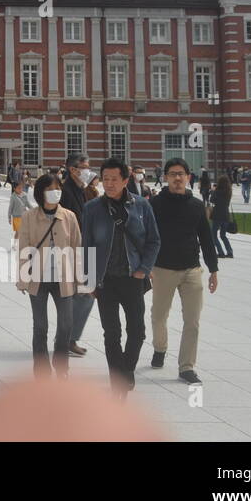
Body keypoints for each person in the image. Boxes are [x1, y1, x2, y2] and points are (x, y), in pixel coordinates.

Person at [81, 159, 161, 398]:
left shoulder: (141, 206)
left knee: (137, 331)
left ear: (126, 180)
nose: (109, 183)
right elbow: (87, 246)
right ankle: (118, 381)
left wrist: (143, 269)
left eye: (114, 179)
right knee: (112, 333)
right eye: (105, 179)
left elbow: (154, 240)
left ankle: (126, 370)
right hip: (105, 280)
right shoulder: (92, 208)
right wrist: (89, 279)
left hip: (132, 277)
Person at [147, 158, 220, 385]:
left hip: (191, 269)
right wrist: (146, 264)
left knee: (192, 321)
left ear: (188, 177)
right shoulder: (155, 204)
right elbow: (147, 237)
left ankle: (186, 366)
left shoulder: (197, 206)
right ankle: (160, 348)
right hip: (162, 268)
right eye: (172, 174)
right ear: (166, 177)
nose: (177, 178)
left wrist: (213, 270)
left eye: (181, 174)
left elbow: (206, 240)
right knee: (159, 316)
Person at [16, 174, 82, 378]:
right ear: (41, 192)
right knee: (41, 326)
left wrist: (79, 278)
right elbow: (24, 248)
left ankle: (61, 365)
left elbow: (76, 247)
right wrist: (22, 279)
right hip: (38, 278)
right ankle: (41, 370)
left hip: (64, 278)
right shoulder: (29, 217)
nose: (56, 192)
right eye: (51, 189)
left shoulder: (69, 216)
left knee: (66, 325)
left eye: (58, 188)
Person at [60, 154, 97, 359]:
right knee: (83, 295)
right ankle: (67, 339)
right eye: (84, 167)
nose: (87, 171)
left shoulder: (81, 190)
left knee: (82, 295)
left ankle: (68, 339)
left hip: (83, 248)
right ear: (72, 169)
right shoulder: (66, 192)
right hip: (74, 251)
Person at [210, 174, 234, 258]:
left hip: (217, 215)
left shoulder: (217, 191)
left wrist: (213, 191)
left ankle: (221, 252)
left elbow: (212, 200)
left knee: (213, 234)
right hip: (226, 215)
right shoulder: (229, 191)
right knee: (223, 235)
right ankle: (230, 252)